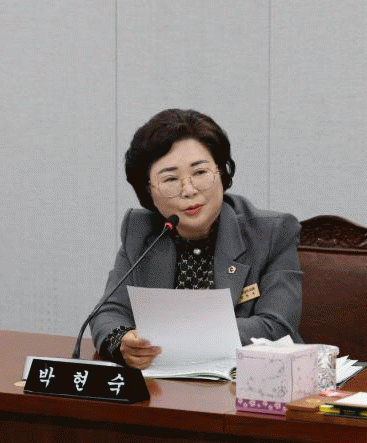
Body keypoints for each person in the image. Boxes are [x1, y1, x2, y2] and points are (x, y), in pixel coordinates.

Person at [89, 108, 303, 369]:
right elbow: (109, 312)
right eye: (170, 179)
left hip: (245, 383)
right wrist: (123, 341)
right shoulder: (141, 231)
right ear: (148, 191)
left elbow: (278, 326)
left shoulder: (271, 233)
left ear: (221, 172)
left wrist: (174, 335)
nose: (189, 190)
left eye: (200, 173)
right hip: (162, 387)